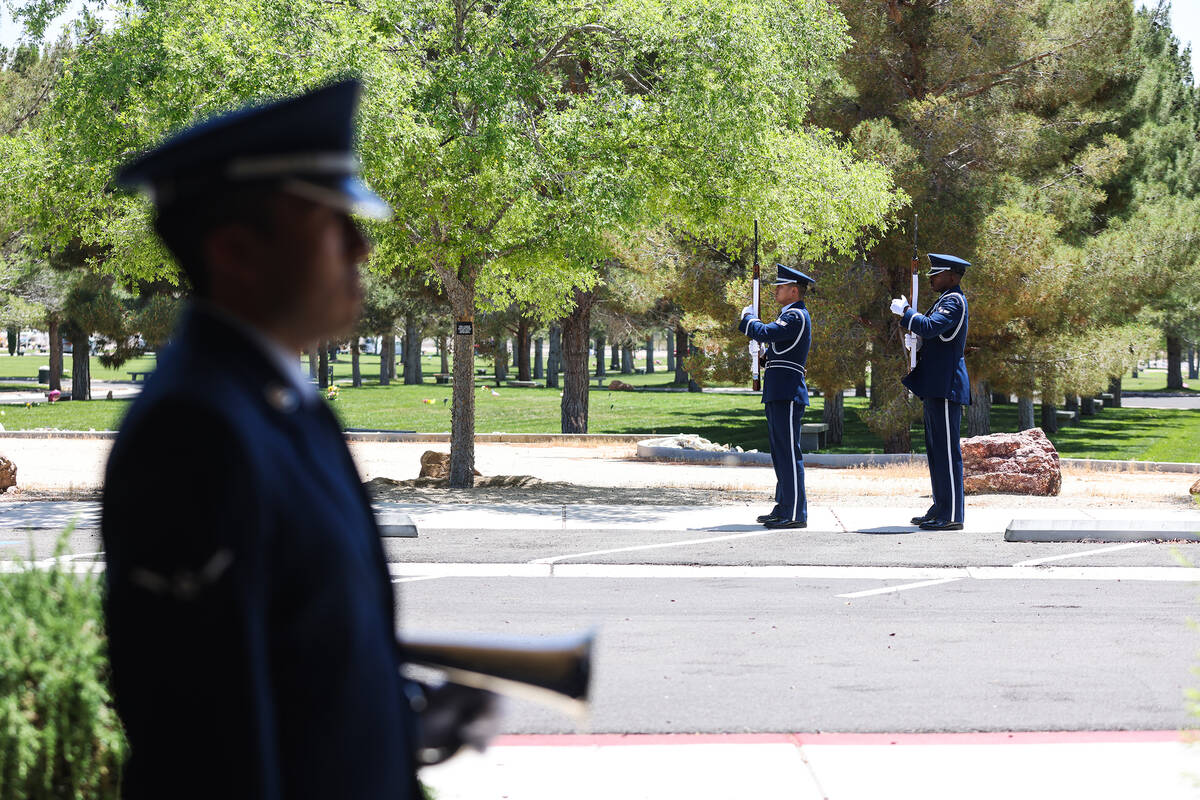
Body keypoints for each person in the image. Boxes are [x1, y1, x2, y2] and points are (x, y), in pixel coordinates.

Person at [101, 78, 492, 799]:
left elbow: (292, 663)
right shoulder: (194, 432)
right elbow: (206, 744)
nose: (363, 246)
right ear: (237, 250)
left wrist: (398, 719)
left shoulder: (277, 401)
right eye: (334, 224)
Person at [889, 253, 971, 531]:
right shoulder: (944, 300)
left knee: (947, 453)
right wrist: (918, 340)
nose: (931, 279)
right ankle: (940, 507)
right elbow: (934, 337)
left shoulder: (954, 301)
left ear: (952, 275)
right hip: (936, 384)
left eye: (936, 274)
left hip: (946, 384)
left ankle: (952, 515)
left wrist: (908, 314)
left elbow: (932, 326)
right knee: (936, 452)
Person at [738, 264, 816, 529]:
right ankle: (784, 506)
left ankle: (794, 512)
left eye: (781, 287)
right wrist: (762, 355)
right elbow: (778, 354)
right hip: (778, 390)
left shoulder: (795, 316)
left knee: (788, 453)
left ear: (794, 291)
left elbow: (768, 332)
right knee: (780, 453)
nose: (776, 290)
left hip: (788, 392)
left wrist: (749, 321)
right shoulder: (791, 316)